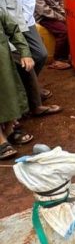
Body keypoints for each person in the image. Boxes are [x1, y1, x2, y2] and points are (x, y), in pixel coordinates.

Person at [0, 8, 32, 159]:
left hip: (3, 62)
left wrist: (25, 53)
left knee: (10, 92)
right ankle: (1, 139)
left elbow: (13, 30)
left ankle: (9, 130)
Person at [29, 0, 71, 69]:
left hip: (59, 12)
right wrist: (62, 18)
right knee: (63, 31)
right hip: (43, 17)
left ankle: (72, 53)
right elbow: (44, 10)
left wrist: (64, 11)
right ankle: (58, 59)